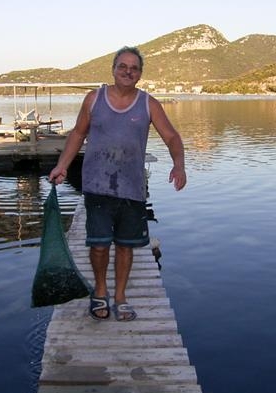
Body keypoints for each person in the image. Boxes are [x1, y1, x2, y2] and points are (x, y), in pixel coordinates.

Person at [49, 46, 186, 322]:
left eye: (134, 68)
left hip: (132, 188)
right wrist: (62, 165)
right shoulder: (93, 99)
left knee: (125, 246)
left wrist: (179, 164)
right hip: (98, 186)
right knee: (99, 245)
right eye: (123, 66)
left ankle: (120, 296)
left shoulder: (148, 104)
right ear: (113, 69)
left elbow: (172, 137)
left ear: (140, 74)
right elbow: (77, 134)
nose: (128, 71)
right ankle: (100, 291)